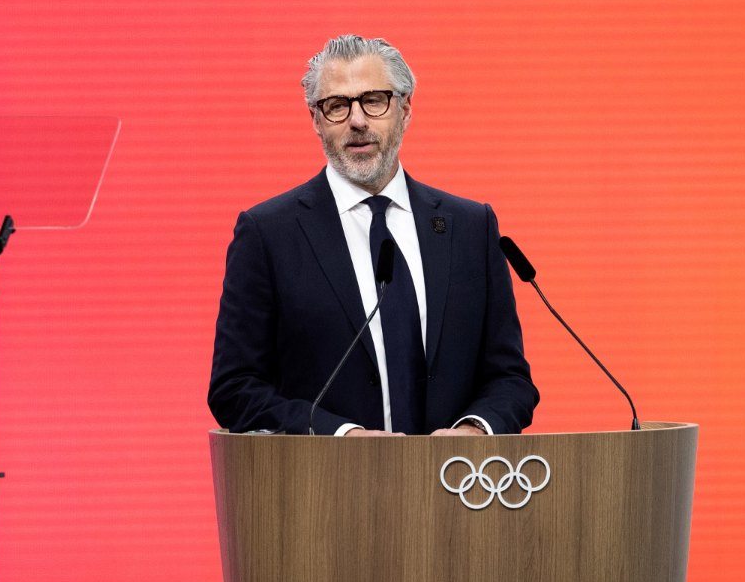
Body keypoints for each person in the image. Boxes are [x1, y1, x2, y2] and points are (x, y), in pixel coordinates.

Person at [208, 34, 538, 436]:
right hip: (327, 489)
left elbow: (510, 379)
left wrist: (474, 430)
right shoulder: (268, 234)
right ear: (315, 119)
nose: (357, 120)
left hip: (457, 487)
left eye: (374, 100)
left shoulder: (470, 227)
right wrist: (343, 437)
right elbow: (235, 389)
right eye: (337, 106)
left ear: (405, 108)